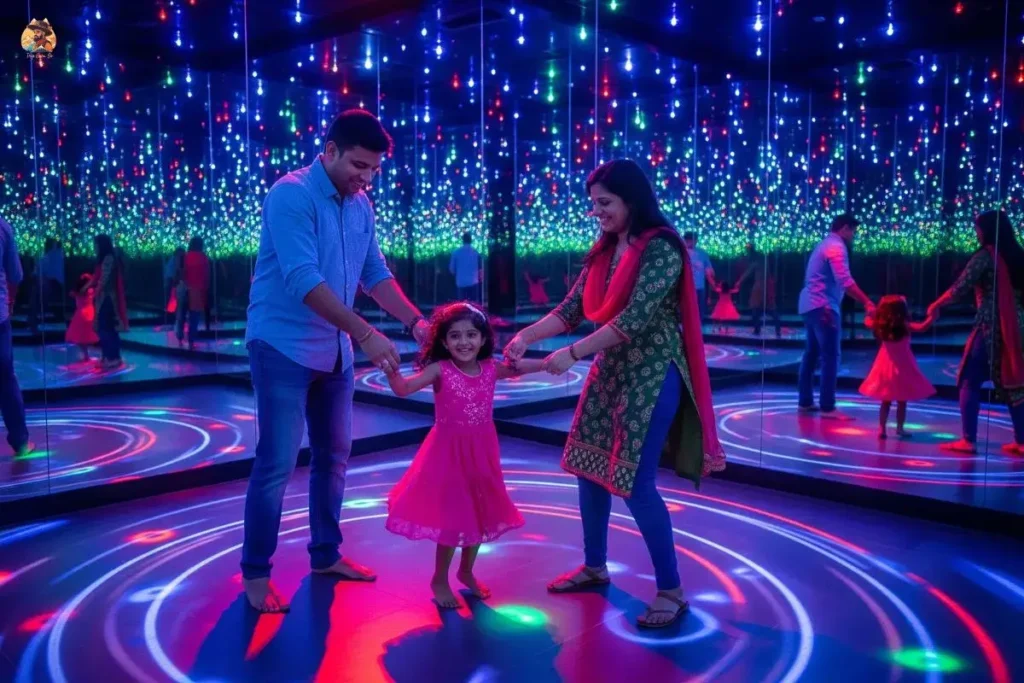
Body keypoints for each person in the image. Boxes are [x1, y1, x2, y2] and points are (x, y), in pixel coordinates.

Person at [504, 159, 725, 629]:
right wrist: (526, 336)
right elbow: (569, 311)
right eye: (594, 204)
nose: (597, 212)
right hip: (610, 370)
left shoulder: (662, 247)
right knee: (588, 469)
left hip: (651, 373)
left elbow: (634, 319)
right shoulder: (605, 249)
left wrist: (573, 353)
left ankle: (672, 591)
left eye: (604, 203)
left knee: (636, 483)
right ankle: (594, 565)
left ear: (631, 200)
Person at [243, 109, 430, 613]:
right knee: (277, 462)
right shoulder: (291, 194)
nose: (365, 178)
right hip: (282, 345)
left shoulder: (360, 204)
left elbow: (374, 273)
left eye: (373, 170)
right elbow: (302, 279)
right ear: (329, 150)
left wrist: (417, 323)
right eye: (358, 165)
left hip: (335, 351)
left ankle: (325, 555)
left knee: (334, 459)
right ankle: (256, 572)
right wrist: (367, 334)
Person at [383, 303, 543, 608]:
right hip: (448, 453)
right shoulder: (440, 370)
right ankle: (439, 578)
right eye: (455, 336)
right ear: (443, 342)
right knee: (454, 515)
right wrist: (389, 368)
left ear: (483, 338)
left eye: (471, 334)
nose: (464, 342)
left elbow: (521, 367)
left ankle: (466, 571)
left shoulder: (491, 369)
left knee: (481, 511)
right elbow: (404, 389)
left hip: (483, 451)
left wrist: (551, 362)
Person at [927, 210, 1024, 455]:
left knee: (969, 379)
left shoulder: (985, 256)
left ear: (988, 230)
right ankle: (1022, 442)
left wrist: (936, 304)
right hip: (1018, 326)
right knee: (1015, 383)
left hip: (992, 326)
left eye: (978, 228)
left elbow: (960, 288)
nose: (976, 232)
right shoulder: (1017, 256)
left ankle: (968, 440)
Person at [796, 214, 875, 419]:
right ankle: (828, 406)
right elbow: (845, 281)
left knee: (811, 353)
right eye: (853, 231)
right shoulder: (836, 247)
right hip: (824, 307)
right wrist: (867, 301)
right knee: (830, 356)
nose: (854, 236)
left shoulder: (823, 244)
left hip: (810, 305)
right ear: (845, 228)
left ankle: (805, 401)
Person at [858, 295, 936, 439]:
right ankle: (900, 428)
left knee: (885, 400)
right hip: (903, 366)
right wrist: (932, 316)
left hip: (885, 367)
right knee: (902, 400)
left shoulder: (880, 326)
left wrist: (869, 311)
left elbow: (867, 321)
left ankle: (882, 429)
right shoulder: (905, 327)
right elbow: (922, 327)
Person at [0, 216, 31, 457]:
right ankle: (20, 442)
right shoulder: (3, 226)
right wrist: (9, 303)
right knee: (5, 379)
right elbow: (15, 276)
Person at [90, 234, 128, 369]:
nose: (95, 247)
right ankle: (109, 356)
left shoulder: (109, 258)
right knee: (106, 327)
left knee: (106, 327)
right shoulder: (104, 259)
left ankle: (112, 357)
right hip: (104, 297)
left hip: (107, 298)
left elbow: (104, 279)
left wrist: (95, 292)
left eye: (96, 244)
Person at [177, 237, 210, 350]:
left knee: (182, 314)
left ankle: (180, 337)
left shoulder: (186, 256)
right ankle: (191, 341)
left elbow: (182, 272)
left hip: (186, 289)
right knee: (194, 317)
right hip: (197, 291)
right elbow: (206, 275)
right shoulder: (203, 258)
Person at [683, 232, 715, 320]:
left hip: (700, 286)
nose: (690, 242)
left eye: (693, 240)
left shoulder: (702, 253)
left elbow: (709, 268)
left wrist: (709, 273)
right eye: (688, 240)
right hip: (686, 286)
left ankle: (699, 327)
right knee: (687, 309)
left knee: (699, 309)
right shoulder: (681, 252)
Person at [66, 274, 99, 361]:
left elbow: (72, 293)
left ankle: (86, 354)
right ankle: (88, 355)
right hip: (89, 314)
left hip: (80, 315)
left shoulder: (77, 292)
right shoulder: (90, 291)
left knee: (81, 337)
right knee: (87, 335)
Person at [449, 232, 482, 302]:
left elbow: (451, 269)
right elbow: (480, 268)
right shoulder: (476, 252)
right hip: (473, 282)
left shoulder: (456, 252)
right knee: (473, 306)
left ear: (462, 240)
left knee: (462, 307)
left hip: (461, 283)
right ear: (471, 240)